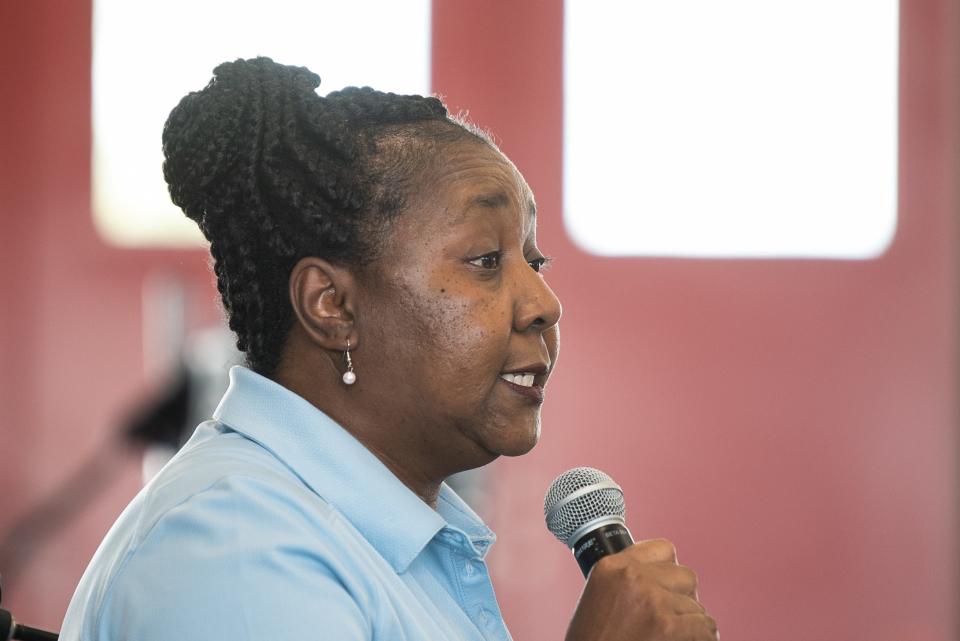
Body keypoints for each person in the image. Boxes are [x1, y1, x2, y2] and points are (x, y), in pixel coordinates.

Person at [60, 57, 718, 641]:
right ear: (332, 305)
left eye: (535, 260)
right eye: (487, 260)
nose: (545, 302)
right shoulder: (237, 546)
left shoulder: (392, 539)